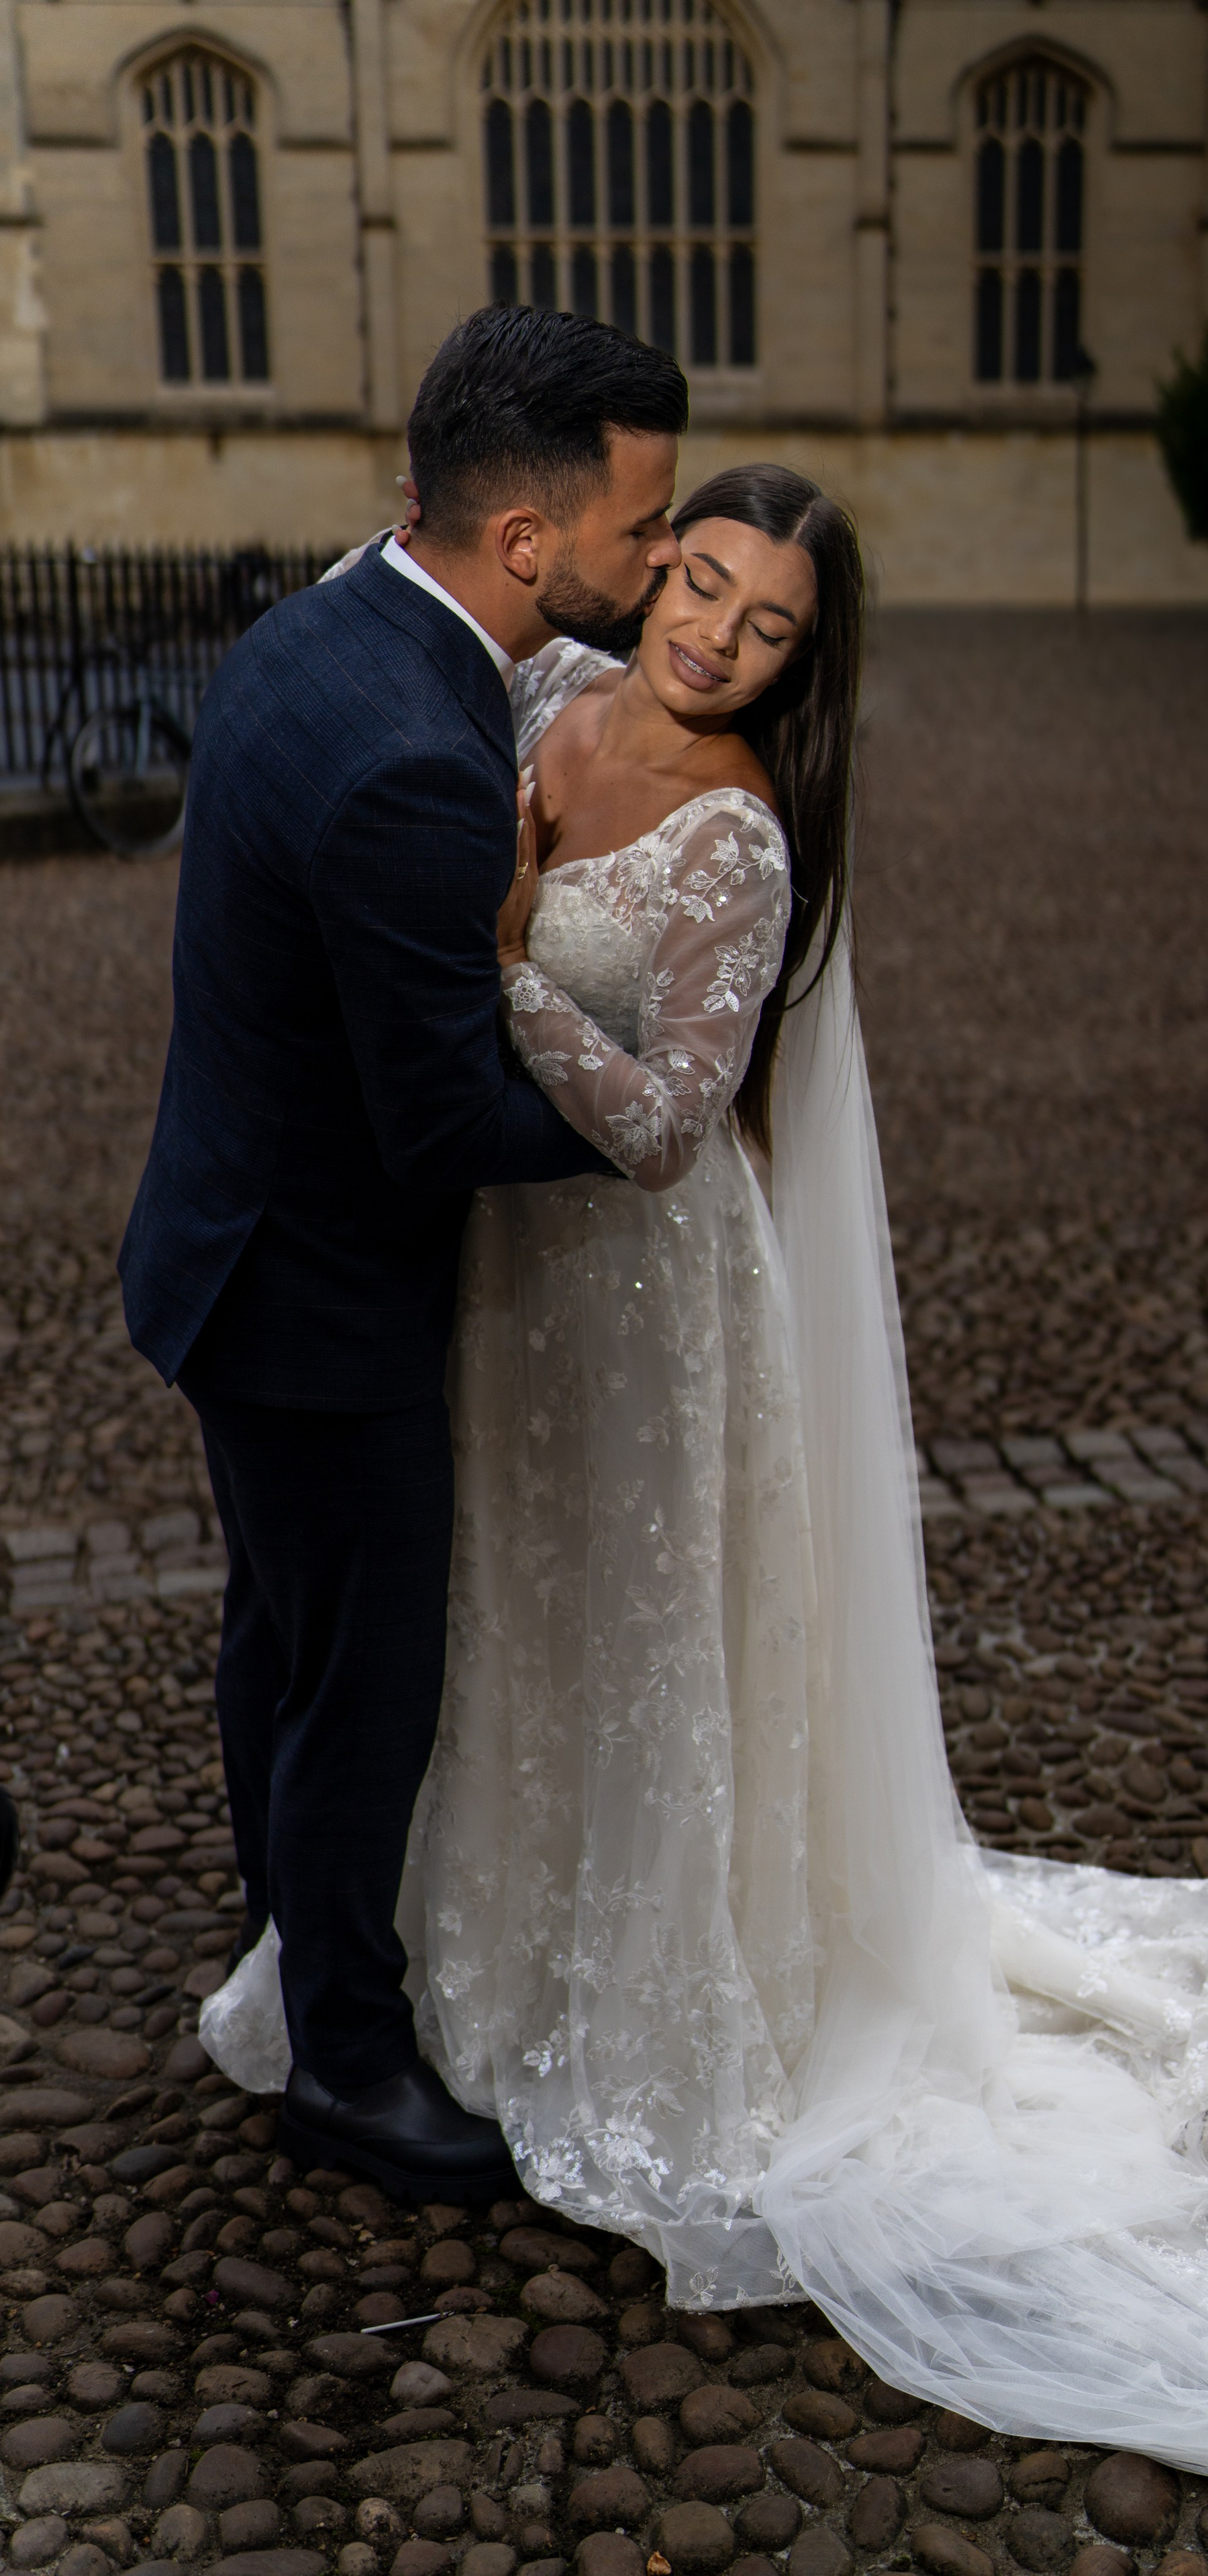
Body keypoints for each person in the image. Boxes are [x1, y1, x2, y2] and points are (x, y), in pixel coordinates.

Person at [203, 461, 1208, 2502]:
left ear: (807, 666)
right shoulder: (543, 677)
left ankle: (661, 1985)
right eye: (706, 583)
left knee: (648, 1632)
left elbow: (670, 1123)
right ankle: (469, 1951)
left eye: (770, 628)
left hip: (647, 1305)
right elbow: (383, 622)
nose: (717, 637)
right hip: (497, 1281)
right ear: (652, 558)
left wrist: (489, 973)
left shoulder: (742, 834)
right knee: (503, 1609)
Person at [119, 308, 688, 2200]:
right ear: (527, 542)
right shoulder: (407, 761)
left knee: (281, 1636)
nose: (663, 561)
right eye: (641, 525)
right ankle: (349, 2066)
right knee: (363, 1680)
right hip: (314, 1303)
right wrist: (665, 1133)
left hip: (222, 1238)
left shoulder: (319, 624)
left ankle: (290, 1932)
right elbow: (441, 1121)